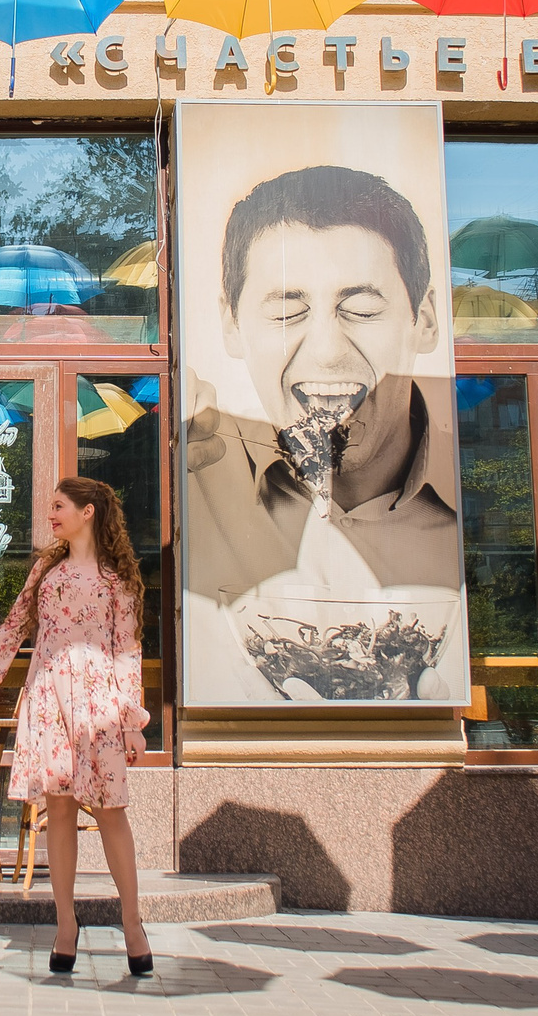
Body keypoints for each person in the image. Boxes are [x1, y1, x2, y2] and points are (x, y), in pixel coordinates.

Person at [182, 164, 462, 701]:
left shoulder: (479, 489)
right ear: (231, 324)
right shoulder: (196, 461)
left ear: (424, 319)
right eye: (288, 311)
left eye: (360, 309)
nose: (327, 349)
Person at [0, 477, 153, 976]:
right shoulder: (45, 570)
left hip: (100, 702)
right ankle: (65, 924)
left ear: (88, 512)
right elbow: (12, 630)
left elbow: (128, 651)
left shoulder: (116, 579)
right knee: (57, 811)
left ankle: (132, 922)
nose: (51, 515)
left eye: (59, 506)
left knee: (111, 812)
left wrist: (132, 722)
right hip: (48, 697)